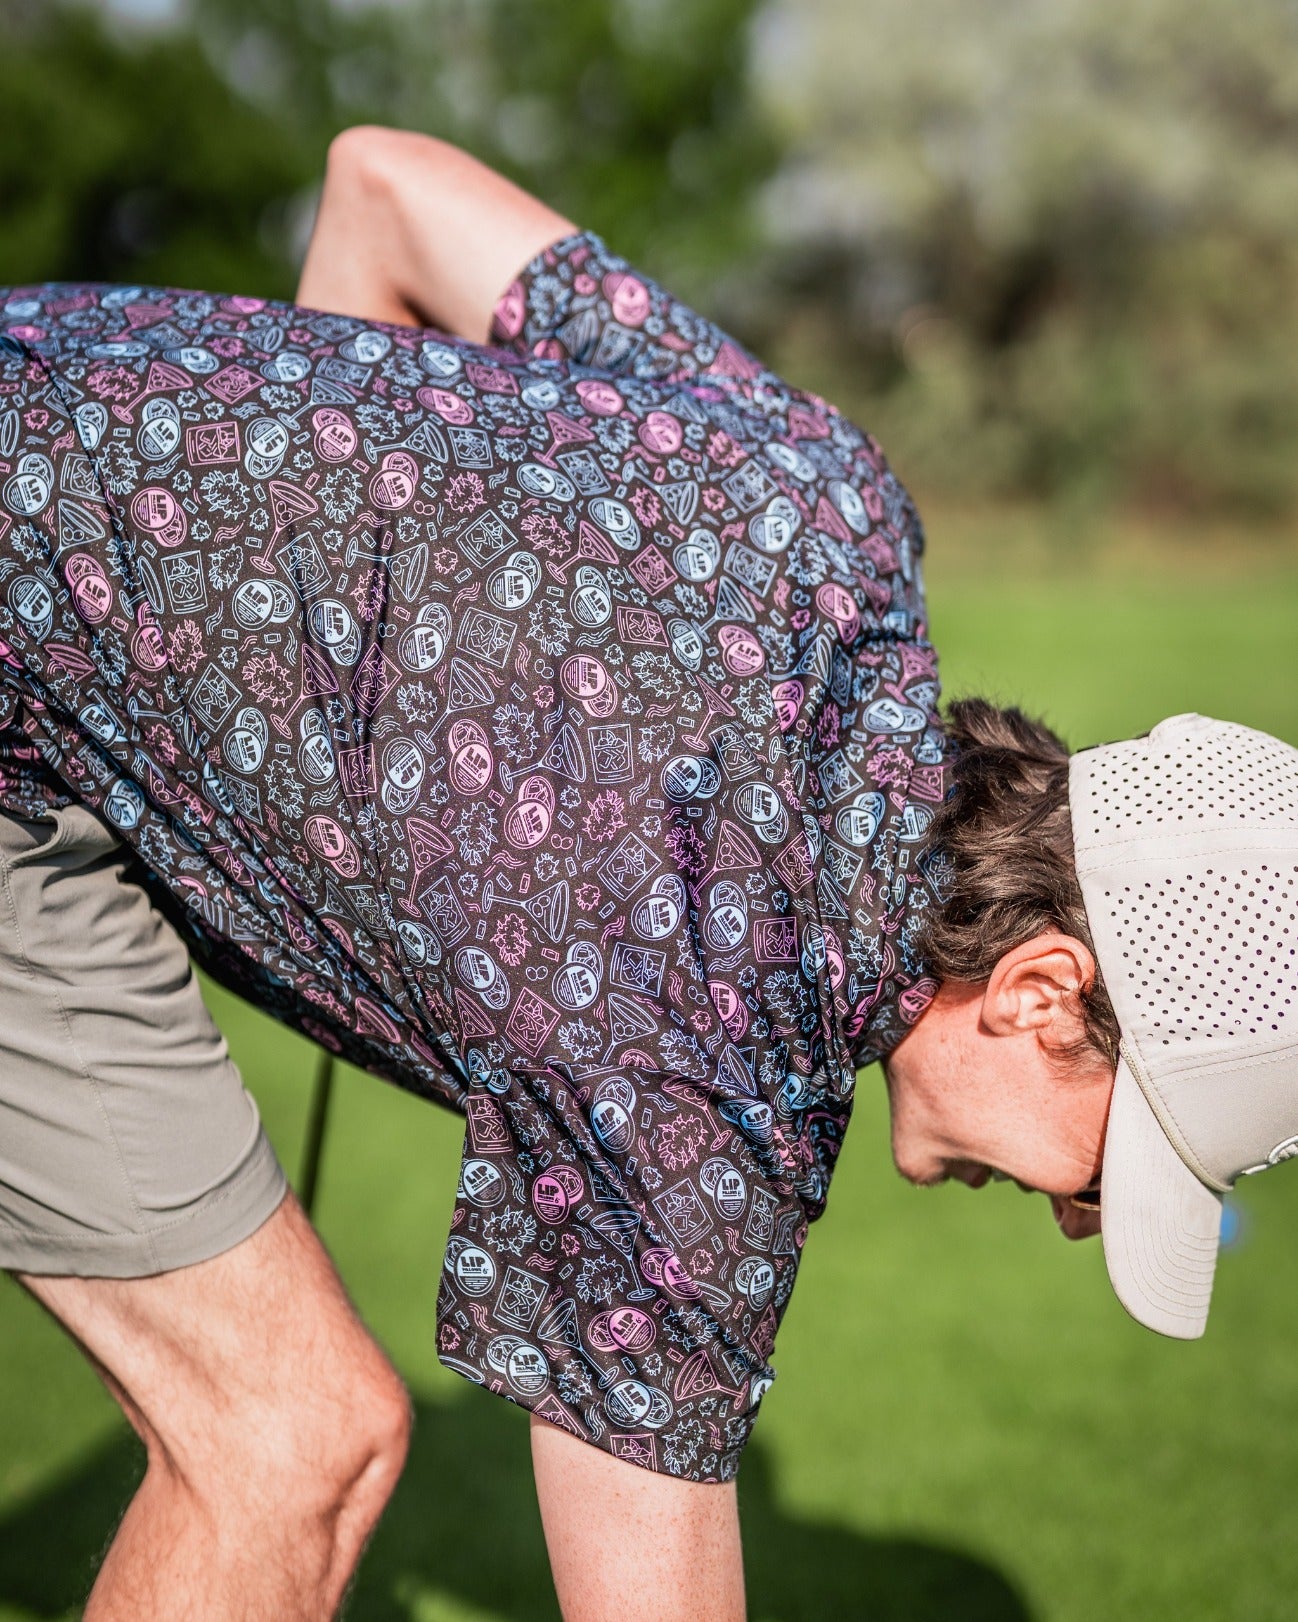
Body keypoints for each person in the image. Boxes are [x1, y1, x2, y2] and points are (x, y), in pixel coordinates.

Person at [0, 125, 1293, 1618]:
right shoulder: (708, 1067)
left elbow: (381, 189)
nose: (1078, 1213)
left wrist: (307, 583)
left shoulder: (834, 510)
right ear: (1039, 989)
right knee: (284, 1446)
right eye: (1116, 1161)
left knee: (307, 1438)